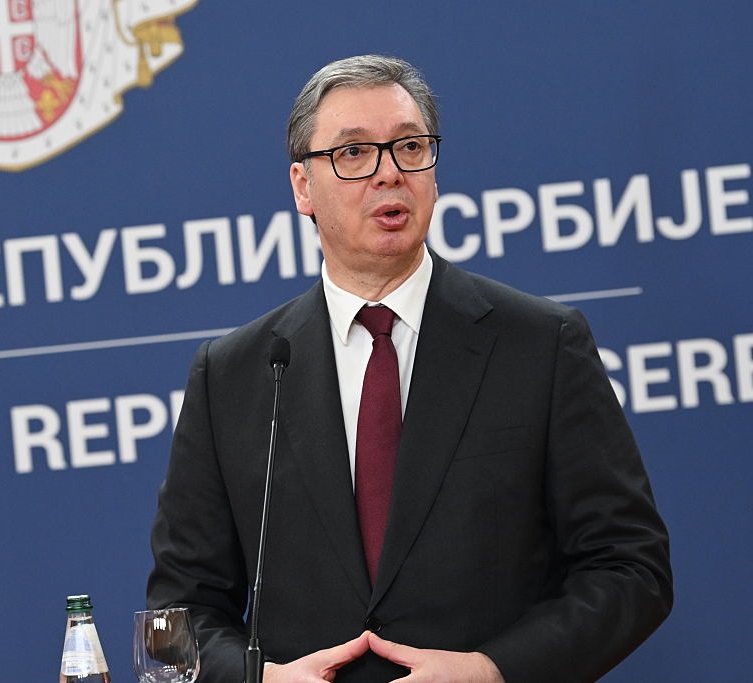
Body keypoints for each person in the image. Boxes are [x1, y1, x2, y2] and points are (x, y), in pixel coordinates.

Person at [146, 55, 672, 682]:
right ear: (302, 187)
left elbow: (630, 568)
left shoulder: (541, 344)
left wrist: (493, 670)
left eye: (410, 147)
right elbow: (175, 618)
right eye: (354, 153)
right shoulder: (233, 376)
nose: (390, 173)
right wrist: (262, 680)